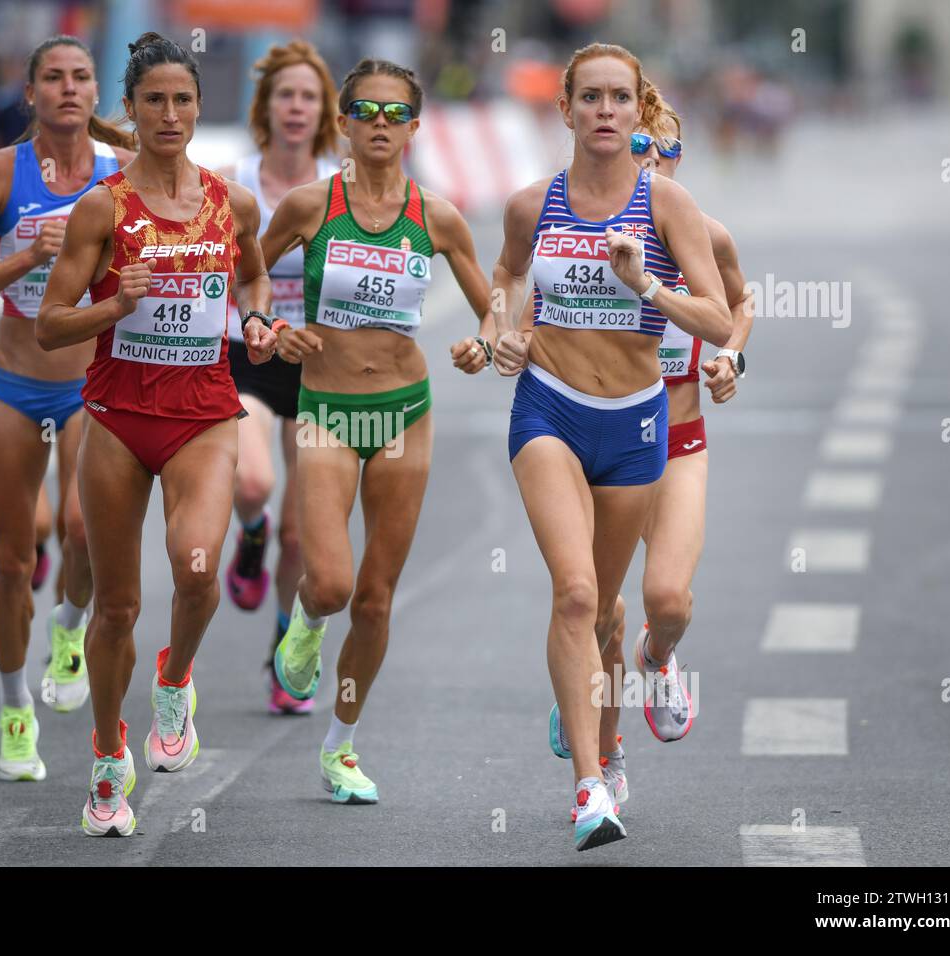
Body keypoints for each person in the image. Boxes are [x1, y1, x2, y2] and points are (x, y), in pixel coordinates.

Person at [488, 42, 732, 850]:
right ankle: (590, 787)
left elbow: (718, 319)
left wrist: (647, 286)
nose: (603, 111)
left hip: (636, 423)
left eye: (617, 98)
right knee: (576, 594)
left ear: (637, 111)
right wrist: (501, 333)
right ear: (564, 110)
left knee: (614, 608)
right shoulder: (532, 204)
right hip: (549, 411)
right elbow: (505, 280)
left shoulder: (668, 206)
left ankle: (610, 730)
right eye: (587, 97)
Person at [36, 32, 278, 837]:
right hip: (115, 418)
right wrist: (114, 304)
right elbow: (48, 324)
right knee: (116, 608)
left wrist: (254, 317)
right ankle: (108, 759)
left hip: (204, 414)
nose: (169, 114)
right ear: (131, 112)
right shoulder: (101, 209)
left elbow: (251, 272)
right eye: (153, 101)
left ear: (198, 108)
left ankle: (176, 677)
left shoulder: (230, 202)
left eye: (182, 100)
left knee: (197, 570)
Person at [261, 59, 493, 804]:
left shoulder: (438, 216)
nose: (382, 125)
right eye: (368, 111)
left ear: (417, 129)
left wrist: (483, 344)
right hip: (325, 410)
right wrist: (269, 326)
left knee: (376, 599)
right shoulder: (307, 206)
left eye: (397, 115)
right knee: (330, 583)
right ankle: (302, 617)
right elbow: (245, 274)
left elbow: (493, 307)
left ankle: (341, 746)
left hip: (404, 413)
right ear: (345, 124)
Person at [543, 99, 755, 811]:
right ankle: (602, 750)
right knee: (596, 608)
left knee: (666, 599)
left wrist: (730, 360)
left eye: (668, 149)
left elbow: (740, 303)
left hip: (679, 439)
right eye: (640, 144)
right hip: (605, 433)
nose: (653, 159)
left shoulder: (704, 233)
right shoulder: (583, 233)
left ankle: (657, 659)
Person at [0, 35, 134, 782]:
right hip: (16, 385)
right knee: (11, 558)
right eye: (52, 77)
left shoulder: (125, 178)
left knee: (85, 529)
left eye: (80, 77)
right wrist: (28, 256)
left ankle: (69, 626)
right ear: (30, 94)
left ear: (96, 94)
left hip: (93, 384)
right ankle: (14, 704)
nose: (66, 88)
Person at [215, 40, 343, 716]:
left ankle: (281, 650)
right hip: (248, 356)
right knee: (253, 481)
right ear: (265, 106)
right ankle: (249, 535)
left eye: (309, 96)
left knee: (303, 534)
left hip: (319, 367)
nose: (297, 107)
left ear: (323, 111)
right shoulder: (231, 180)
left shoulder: (340, 183)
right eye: (285, 95)